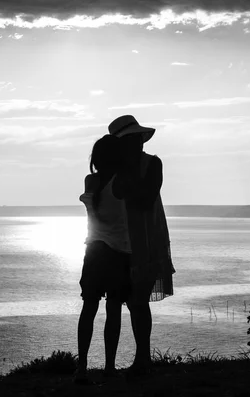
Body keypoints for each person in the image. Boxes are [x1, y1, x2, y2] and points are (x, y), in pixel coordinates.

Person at [108, 114, 175, 375]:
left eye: (138, 138)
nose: (138, 143)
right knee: (121, 301)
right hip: (120, 239)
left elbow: (146, 198)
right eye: (132, 138)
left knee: (138, 301)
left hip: (147, 239)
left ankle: (142, 358)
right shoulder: (114, 170)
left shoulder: (152, 164)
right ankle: (120, 363)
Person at [76, 135, 131, 383]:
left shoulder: (91, 180)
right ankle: (109, 366)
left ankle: (82, 368)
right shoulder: (122, 181)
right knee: (113, 310)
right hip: (118, 251)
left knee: (89, 308)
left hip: (94, 250)